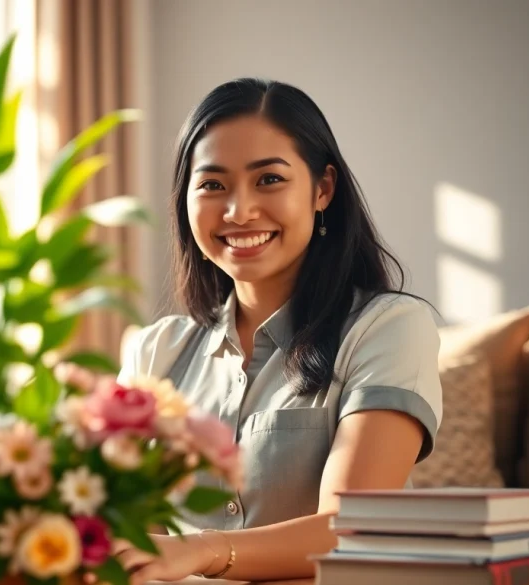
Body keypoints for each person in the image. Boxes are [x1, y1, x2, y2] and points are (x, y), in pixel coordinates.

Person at [55, 77, 443, 584]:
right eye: (213, 185)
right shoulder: (157, 351)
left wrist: (201, 551)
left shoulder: (389, 328)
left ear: (323, 189)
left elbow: (353, 530)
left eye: (269, 180)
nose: (239, 211)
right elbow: (113, 517)